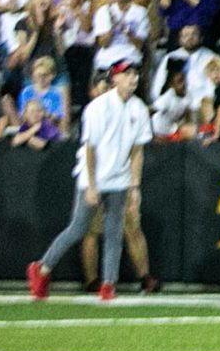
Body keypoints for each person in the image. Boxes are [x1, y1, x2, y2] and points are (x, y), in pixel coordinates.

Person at [28, 57, 150, 301]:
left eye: (135, 74)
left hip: (119, 179)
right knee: (78, 228)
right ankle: (42, 268)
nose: (133, 78)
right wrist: (92, 186)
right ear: (115, 78)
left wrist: (134, 186)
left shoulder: (139, 108)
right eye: (127, 74)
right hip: (93, 177)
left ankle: (108, 284)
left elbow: (138, 151)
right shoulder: (98, 107)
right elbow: (90, 149)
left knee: (114, 232)